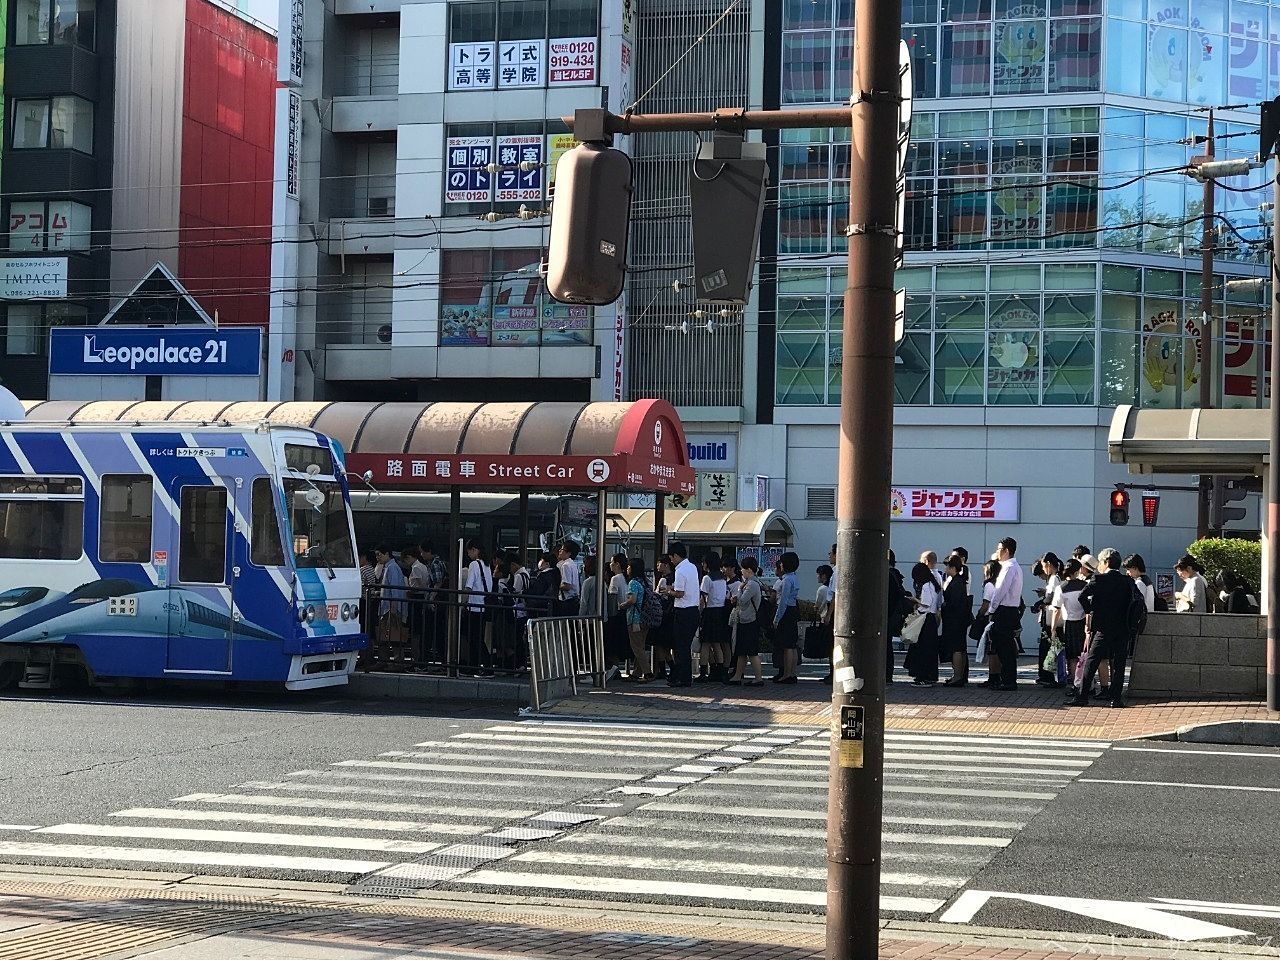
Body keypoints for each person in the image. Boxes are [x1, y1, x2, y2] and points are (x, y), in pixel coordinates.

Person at [1069, 547, 1140, 708]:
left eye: (1100, 561)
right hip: (1123, 627)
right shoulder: (1127, 581)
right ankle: (1116, 699)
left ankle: (1082, 696)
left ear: (1106, 562)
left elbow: (1082, 596)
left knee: (1092, 661)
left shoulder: (1098, 580)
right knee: (1119, 664)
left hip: (1102, 627)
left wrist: (1091, 610)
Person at [987, 536, 1024, 691]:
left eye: (999, 549)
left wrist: (991, 609)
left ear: (1007, 551)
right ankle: (1007, 679)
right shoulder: (1015, 566)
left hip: (1005, 611)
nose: (997, 552)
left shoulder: (1008, 567)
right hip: (1010, 610)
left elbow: (999, 590)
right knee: (1006, 647)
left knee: (1004, 648)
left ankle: (1008, 681)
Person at [663, 541, 701, 687]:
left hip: (683, 611)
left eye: (671, 557)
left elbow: (680, 593)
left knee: (681, 647)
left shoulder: (680, 570)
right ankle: (685, 677)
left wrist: (668, 591)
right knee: (685, 646)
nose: (671, 560)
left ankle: (683, 678)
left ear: (676, 556)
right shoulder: (692, 567)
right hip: (693, 610)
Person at [728, 557, 765, 686]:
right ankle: (737, 676)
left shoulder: (752, 584)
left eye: (743, 569)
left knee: (751, 651)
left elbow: (743, 601)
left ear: (749, 570)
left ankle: (758, 678)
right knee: (742, 651)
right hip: (745, 620)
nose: (741, 571)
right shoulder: (751, 583)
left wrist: (739, 590)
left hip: (750, 620)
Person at [904, 561, 942, 686]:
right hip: (931, 619)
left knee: (922, 649)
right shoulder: (934, 584)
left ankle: (922, 676)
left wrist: (914, 600)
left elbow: (926, 603)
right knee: (929, 649)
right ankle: (930, 675)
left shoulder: (926, 586)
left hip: (925, 619)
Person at [1053, 558, 1089, 684]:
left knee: (1072, 656)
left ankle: (1075, 683)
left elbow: (1056, 609)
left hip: (1069, 623)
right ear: (1077, 571)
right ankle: (1085, 681)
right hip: (1084, 622)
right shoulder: (1084, 586)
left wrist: (1053, 628)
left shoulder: (1061, 587)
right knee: (1083, 654)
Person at [462, 540, 493, 675]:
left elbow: (469, 586)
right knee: (477, 637)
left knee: (474, 638)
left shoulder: (474, 564)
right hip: (483, 605)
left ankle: (486, 667)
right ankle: (476, 666)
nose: (468, 555)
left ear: (474, 550)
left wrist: (462, 603)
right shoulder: (487, 565)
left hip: (474, 606)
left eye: (469, 552)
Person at [939, 554, 971, 686]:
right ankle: (959, 676)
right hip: (959, 620)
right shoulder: (960, 581)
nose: (945, 569)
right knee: (961, 648)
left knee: (956, 648)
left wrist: (943, 606)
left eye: (946, 566)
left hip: (954, 620)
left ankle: (957, 676)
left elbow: (953, 603)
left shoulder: (956, 582)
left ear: (951, 567)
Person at [771, 551, 801, 683]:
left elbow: (782, 601)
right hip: (793, 610)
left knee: (786, 645)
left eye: (782, 563)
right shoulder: (794, 577)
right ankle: (792, 673)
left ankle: (787, 674)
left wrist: (776, 619)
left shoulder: (787, 580)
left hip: (786, 612)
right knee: (792, 645)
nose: (780, 565)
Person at [619, 556, 651, 681]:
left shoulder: (633, 583)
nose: (627, 569)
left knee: (636, 647)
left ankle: (648, 672)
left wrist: (622, 605)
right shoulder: (645, 581)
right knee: (640, 646)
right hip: (645, 618)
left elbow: (632, 600)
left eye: (628, 566)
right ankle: (637, 673)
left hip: (635, 619)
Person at [699, 552, 729, 683]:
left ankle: (703, 673)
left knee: (705, 644)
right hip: (720, 612)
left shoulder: (707, 578)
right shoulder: (723, 578)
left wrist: (699, 612)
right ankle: (721, 672)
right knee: (717, 643)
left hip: (709, 612)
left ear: (708, 563)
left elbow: (702, 598)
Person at [1034, 552, 1063, 686]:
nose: (1043, 569)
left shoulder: (1054, 578)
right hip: (1054, 617)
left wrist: (1040, 603)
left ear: (1049, 564)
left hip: (1051, 618)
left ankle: (1047, 676)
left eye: (1043, 565)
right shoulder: (1058, 577)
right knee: (1052, 647)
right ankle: (1047, 675)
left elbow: (1050, 597)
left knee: (1048, 647)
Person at [975, 558, 1002, 686]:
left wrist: (979, 614)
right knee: (996, 649)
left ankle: (993, 676)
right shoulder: (998, 584)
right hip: (998, 617)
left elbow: (986, 604)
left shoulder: (988, 585)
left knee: (991, 650)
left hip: (989, 618)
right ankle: (997, 675)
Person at [886, 549, 908, 683]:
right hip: (894, 615)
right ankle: (888, 674)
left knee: (884, 646)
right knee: (887, 646)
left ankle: (886, 674)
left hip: (887, 615)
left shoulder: (887, 576)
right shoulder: (896, 575)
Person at [527, 551, 561, 619]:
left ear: (547, 564)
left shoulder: (544, 575)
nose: (539, 562)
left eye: (541, 560)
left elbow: (537, 591)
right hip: (551, 605)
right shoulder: (556, 573)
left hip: (541, 606)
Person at [557, 540, 581, 616]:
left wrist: (556, 585)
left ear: (569, 553)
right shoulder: (572, 564)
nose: (559, 551)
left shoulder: (565, 565)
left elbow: (567, 586)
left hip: (567, 601)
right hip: (574, 600)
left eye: (562, 549)